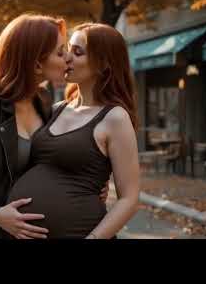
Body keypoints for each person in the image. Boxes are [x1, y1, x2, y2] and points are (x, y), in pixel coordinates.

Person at [0, 14, 109, 239]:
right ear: (35, 63)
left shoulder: (42, 102)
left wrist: (86, 184)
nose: (67, 59)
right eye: (60, 52)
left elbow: (50, 162)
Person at [8, 23, 140, 239]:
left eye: (77, 52)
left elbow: (129, 199)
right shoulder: (55, 109)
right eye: (67, 49)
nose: (67, 57)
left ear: (104, 64)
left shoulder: (115, 118)